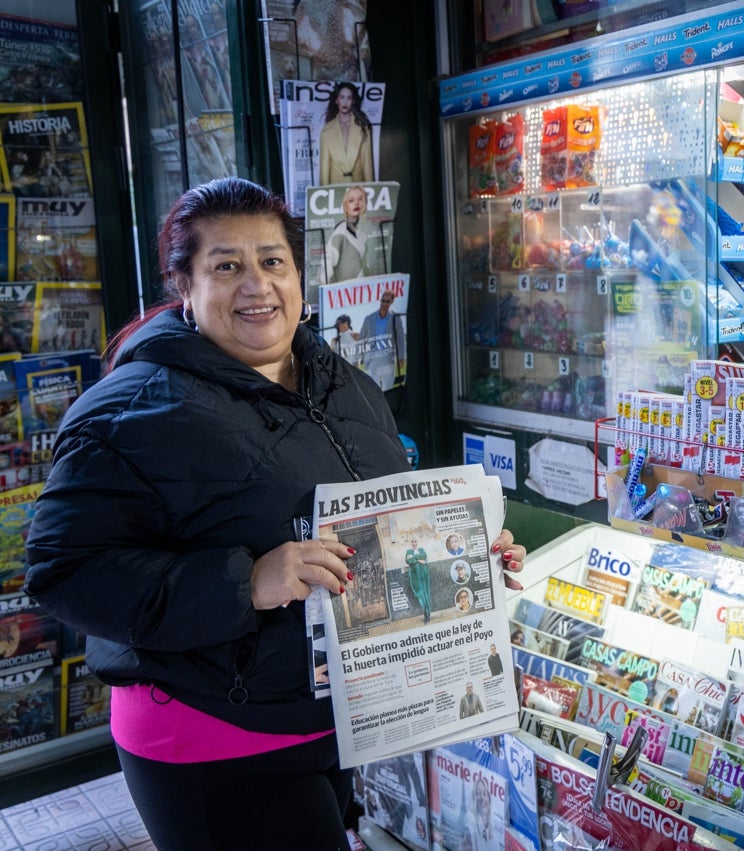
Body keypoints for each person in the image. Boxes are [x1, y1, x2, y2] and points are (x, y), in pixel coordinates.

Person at [21, 177, 526, 851]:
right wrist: (245, 581)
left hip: (334, 717)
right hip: (209, 736)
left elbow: (376, 531)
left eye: (272, 261)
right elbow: (64, 571)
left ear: (298, 275)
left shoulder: (345, 384)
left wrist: (463, 554)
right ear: (185, 286)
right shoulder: (129, 407)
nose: (255, 284)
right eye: (226, 265)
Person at [319, 81, 374, 185]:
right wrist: (324, 195)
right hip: (335, 187)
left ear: (353, 101)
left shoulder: (363, 127)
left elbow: (367, 165)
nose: (345, 102)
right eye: (342, 97)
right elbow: (324, 168)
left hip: (358, 187)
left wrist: (370, 192)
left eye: (349, 98)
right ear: (336, 100)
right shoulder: (326, 131)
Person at [325, 185, 380, 284]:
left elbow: (366, 267)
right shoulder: (339, 234)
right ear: (345, 206)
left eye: (360, 199)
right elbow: (326, 270)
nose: (356, 203)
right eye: (351, 200)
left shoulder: (362, 235)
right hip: (344, 292)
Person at [358, 289, 406, 391]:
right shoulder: (369, 318)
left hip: (388, 359)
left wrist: (401, 356)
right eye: (383, 300)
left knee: (388, 390)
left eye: (387, 301)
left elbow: (400, 338)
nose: (384, 303)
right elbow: (362, 338)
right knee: (374, 390)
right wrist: (360, 356)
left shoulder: (395, 318)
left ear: (392, 302)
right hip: (372, 359)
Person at [404, 539, 432, 624]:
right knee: (420, 595)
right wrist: (419, 559)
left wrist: (414, 558)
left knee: (426, 594)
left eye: (415, 541)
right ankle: (425, 614)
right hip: (415, 576)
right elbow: (408, 561)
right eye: (412, 541)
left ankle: (428, 614)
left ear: (417, 542)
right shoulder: (408, 551)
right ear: (411, 543)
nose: (414, 543)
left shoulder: (421, 550)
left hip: (424, 575)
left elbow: (424, 556)